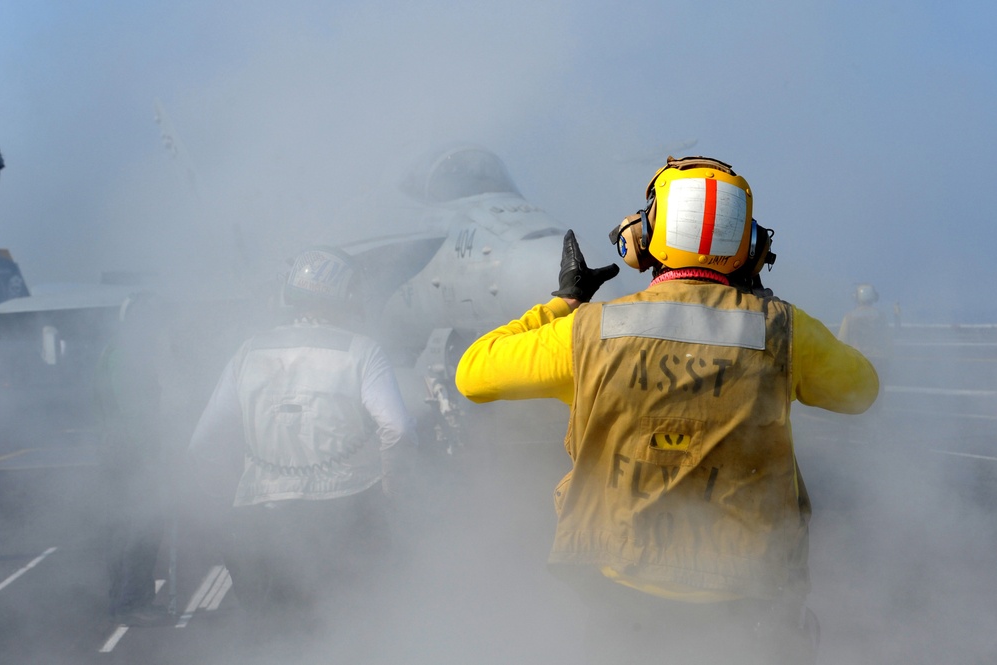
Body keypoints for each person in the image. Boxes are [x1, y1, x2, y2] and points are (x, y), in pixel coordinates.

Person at [455, 156, 880, 664]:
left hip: (625, 591)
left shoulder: (589, 330)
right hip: (749, 596)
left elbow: (472, 376)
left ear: (643, 237)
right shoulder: (783, 332)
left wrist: (565, 303)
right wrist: (762, 301)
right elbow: (862, 391)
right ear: (751, 248)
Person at [187, 246, 417, 634]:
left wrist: (228, 500)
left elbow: (202, 443)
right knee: (357, 634)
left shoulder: (248, 352)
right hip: (350, 517)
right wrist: (393, 493)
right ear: (347, 298)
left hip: (261, 523)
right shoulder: (363, 352)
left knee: (276, 639)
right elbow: (397, 429)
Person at [95, 292, 171, 625]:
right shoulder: (125, 356)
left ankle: (123, 598)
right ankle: (131, 602)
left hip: (119, 451)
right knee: (143, 526)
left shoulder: (118, 353)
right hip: (131, 454)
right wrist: (153, 460)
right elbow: (134, 413)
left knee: (124, 527)